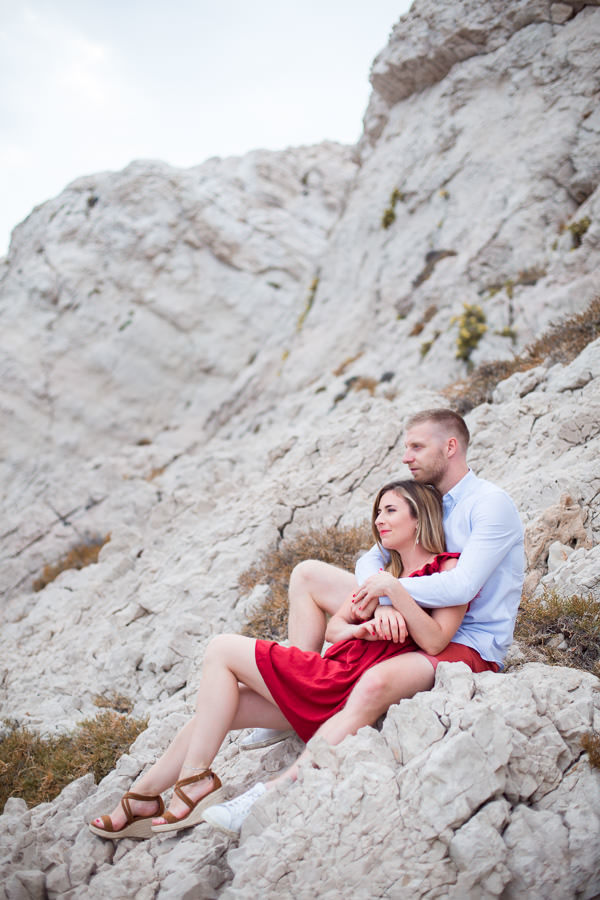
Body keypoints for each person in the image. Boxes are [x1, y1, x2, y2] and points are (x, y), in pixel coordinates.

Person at [89, 479, 487, 841]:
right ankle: (142, 796)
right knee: (217, 710)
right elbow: (336, 630)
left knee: (221, 649)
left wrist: (394, 593)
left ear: (419, 519)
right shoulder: (383, 573)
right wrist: (363, 627)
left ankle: (195, 782)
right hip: (334, 672)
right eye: (378, 512)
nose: (379, 520)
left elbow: (436, 641)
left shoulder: (446, 569)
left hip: (341, 683)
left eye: (390, 511)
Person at [242, 406, 524, 751]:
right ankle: (294, 693)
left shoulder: (489, 504)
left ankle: (298, 708)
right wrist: (382, 605)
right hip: (414, 611)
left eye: (417, 447)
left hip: (466, 638)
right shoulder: (431, 500)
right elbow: (371, 558)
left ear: (450, 447)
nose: (406, 458)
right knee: (307, 575)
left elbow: (462, 586)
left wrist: (390, 592)